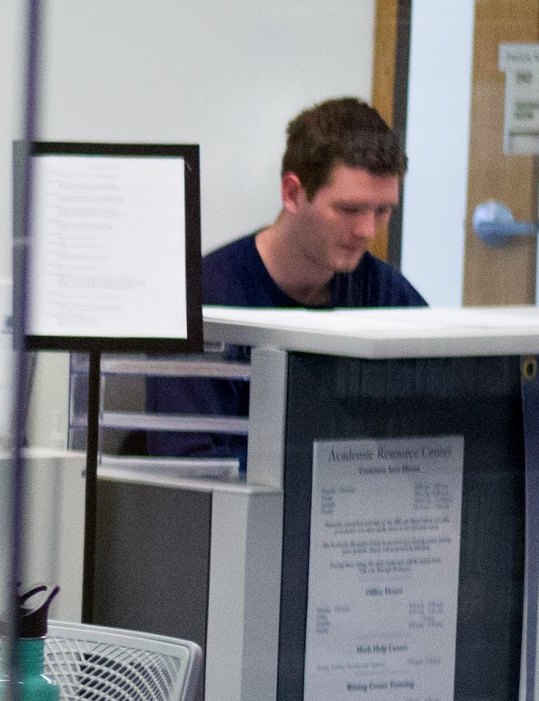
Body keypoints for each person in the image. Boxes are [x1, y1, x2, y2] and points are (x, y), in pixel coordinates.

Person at [144, 97, 425, 462]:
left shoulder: (385, 294)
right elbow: (187, 460)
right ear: (292, 193)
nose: (367, 230)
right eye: (348, 209)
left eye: (383, 211)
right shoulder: (205, 296)